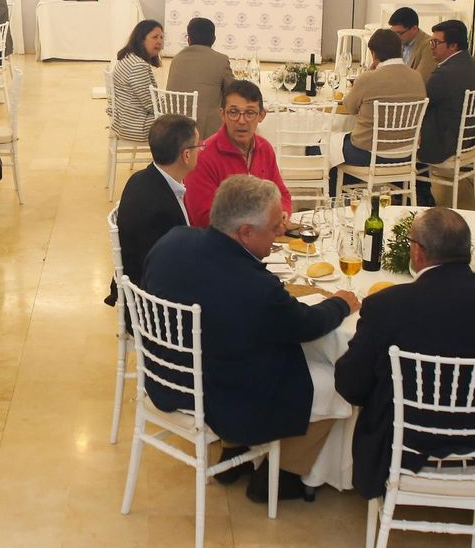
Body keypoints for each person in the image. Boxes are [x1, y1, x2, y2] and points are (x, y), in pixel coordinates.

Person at [141, 176, 358, 502]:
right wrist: (342, 302)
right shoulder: (256, 288)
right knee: (336, 381)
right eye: (273, 228)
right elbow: (308, 325)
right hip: (219, 398)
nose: (281, 232)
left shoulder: (172, 241)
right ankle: (284, 475)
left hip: (165, 376)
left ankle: (235, 453)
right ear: (244, 232)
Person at [336, 208, 475, 501]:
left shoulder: (385, 306)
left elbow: (351, 385)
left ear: (417, 252)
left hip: (405, 439)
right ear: (468, 249)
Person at [107, 114, 199, 306]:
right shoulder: (163, 209)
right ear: (186, 155)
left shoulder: (139, 178)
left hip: (139, 288)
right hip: (155, 307)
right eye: (198, 147)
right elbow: (177, 268)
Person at [183, 80, 292, 229]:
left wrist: (283, 213)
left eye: (250, 113)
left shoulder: (264, 148)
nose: (242, 121)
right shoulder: (203, 157)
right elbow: (204, 218)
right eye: (233, 112)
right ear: (222, 114)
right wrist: (264, 222)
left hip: (260, 239)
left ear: (261, 115)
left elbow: (282, 195)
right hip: (219, 246)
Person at [335, 26, 426, 189]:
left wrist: (369, 72)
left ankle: (342, 203)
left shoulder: (369, 78)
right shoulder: (417, 77)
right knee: (342, 144)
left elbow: (349, 107)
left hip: (369, 153)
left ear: (373, 53)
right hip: (406, 153)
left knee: (322, 148)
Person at [415, 19, 475, 206]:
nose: (431, 47)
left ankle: (416, 195)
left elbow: (420, 103)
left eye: (436, 43)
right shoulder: (471, 64)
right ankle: (420, 192)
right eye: (431, 42)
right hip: (467, 139)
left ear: (453, 45)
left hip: (445, 143)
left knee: (402, 133)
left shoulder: (445, 73)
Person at [166, 17, 234, 139]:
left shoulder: (176, 59)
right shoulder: (221, 60)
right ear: (214, 39)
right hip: (205, 130)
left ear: (188, 39)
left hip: (174, 127)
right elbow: (233, 91)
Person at [108, 18, 163, 143]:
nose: (159, 41)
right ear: (141, 39)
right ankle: (174, 162)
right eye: (155, 37)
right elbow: (151, 105)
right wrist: (173, 106)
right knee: (184, 123)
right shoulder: (138, 65)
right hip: (137, 127)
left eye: (161, 37)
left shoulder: (128, 58)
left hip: (124, 123)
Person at [387, 6, 437, 83]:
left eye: (400, 33)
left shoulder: (428, 46)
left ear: (414, 29)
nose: (396, 37)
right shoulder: (397, 41)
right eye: (393, 33)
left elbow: (419, 80)